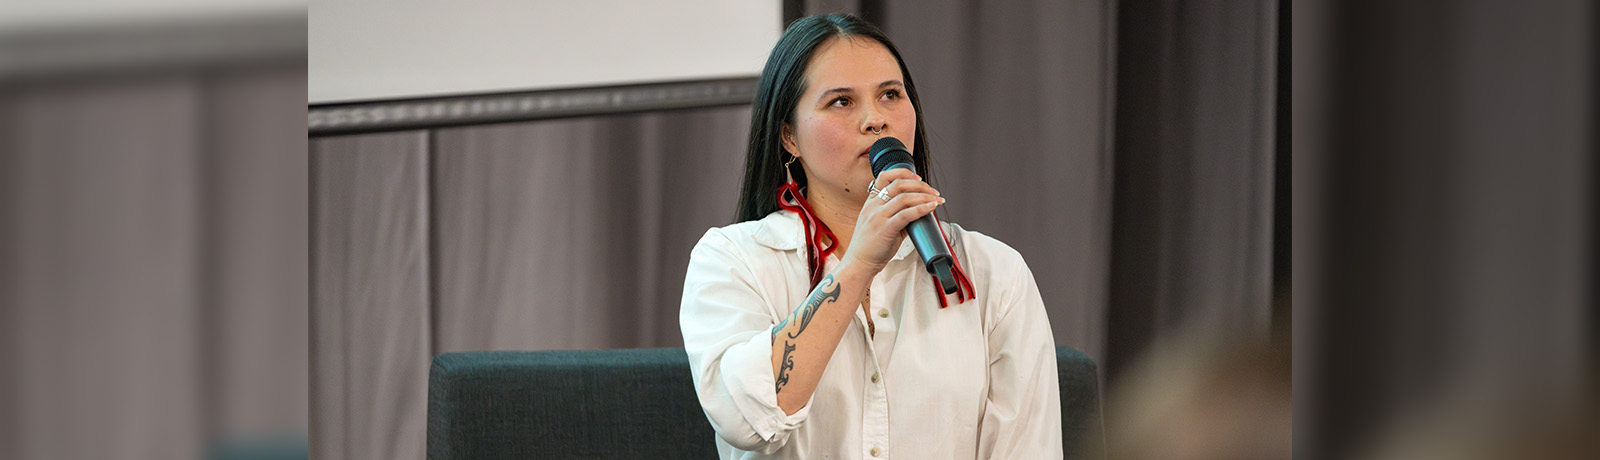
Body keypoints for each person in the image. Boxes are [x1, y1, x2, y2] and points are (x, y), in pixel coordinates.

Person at [680, 14, 1062, 459]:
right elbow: (747, 421)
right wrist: (858, 261)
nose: (875, 119)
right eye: (841, 102)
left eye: (890, 95)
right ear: (789, 137)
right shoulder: (733, 260)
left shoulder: (996, 273)